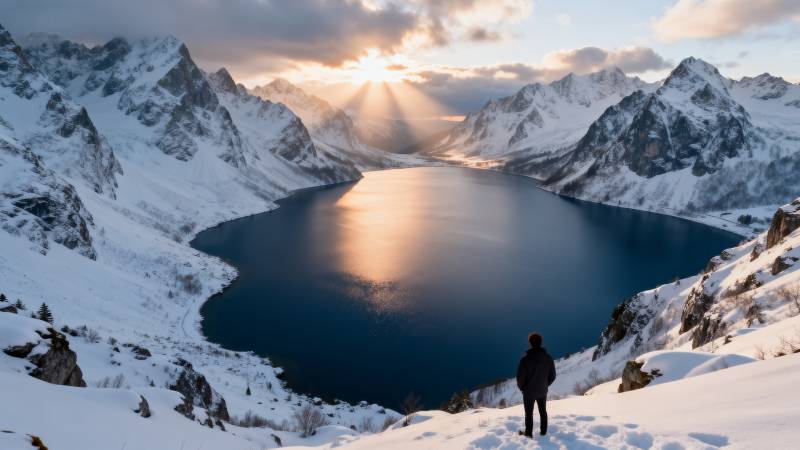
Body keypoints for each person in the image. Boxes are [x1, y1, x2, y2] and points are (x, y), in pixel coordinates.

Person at [516, 332, 556, 437]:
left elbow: (520, 378)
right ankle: (543, 432)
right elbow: (553, 375)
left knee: (529, 413)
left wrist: (523, 388)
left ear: (530, 343)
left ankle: (528, 433)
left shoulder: (525, 360)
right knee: (543, 411)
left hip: (529, 392)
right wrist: (545, 384)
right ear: (541, 342)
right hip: (542, 391)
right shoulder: (548, 358)